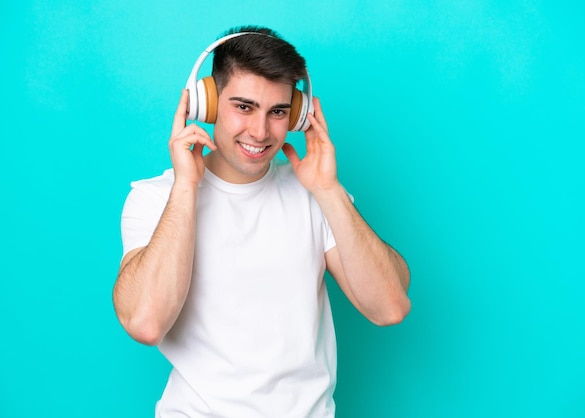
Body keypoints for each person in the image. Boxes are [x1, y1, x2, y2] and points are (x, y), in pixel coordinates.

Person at [113, 25, 411, 418]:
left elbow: (389, 306)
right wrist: (187, 185)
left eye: (278, 112)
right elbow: (145, 323)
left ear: (298, 115)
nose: (260, 131)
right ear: (208, 105)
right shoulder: (154, 198)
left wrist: (329, 190)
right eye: (243, 106)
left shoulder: (316, 195)